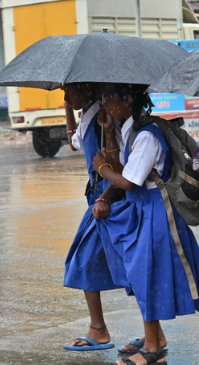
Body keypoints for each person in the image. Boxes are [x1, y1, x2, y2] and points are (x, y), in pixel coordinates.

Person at [92, 84, 199, 365]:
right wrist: (109, 131)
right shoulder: (129, 129)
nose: (105, 104)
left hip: (158, 210)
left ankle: (154, 349)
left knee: (150, 277)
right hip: (142, 207)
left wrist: (101, 169)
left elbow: (130, 180)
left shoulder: (147, 135)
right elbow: (123, 166)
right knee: (160, 277)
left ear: (128, 99)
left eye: (109, 99)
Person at [61, 83, 124, 351]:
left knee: (132, 268)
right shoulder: (88, 114)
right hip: (98, 199)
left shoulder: (102, 118)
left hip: (109, 201)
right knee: (130, 268)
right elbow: (74, 141)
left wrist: (105, 197)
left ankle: (100, 329)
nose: (66, 97)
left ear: (87, 89)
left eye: (69, 91)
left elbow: (121, 166)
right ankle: (100, 328)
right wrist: (67, 109)